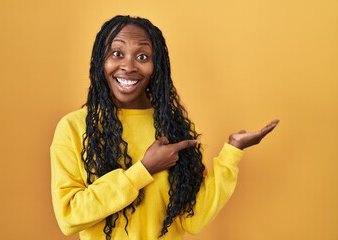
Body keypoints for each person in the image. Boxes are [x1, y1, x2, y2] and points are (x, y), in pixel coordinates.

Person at [50, 15, 279, 240]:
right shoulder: (73, 128)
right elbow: (69, 216)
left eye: (142, 56)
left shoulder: (172, 126)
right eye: (117, 53)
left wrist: (232, 152)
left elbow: (194, 219)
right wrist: (144, 170)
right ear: (101, 60)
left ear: (156, 66)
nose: (128, 66)